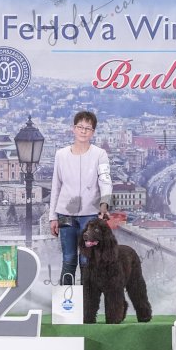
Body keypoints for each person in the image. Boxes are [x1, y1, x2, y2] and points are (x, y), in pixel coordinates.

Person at [48, 111, 112, 285]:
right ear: (73, 129)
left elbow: (105, 181)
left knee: (87, 260)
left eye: (88, 128)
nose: (83, 131)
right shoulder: (61, 155)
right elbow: (56, 186)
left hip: (90, 215)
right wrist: (53, 217)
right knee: (68, 259)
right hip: (65, 215)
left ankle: (87, 299)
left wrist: (104, 205)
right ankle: (66, 299)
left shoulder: (100, 154)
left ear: (93, 132)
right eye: (80, 127)